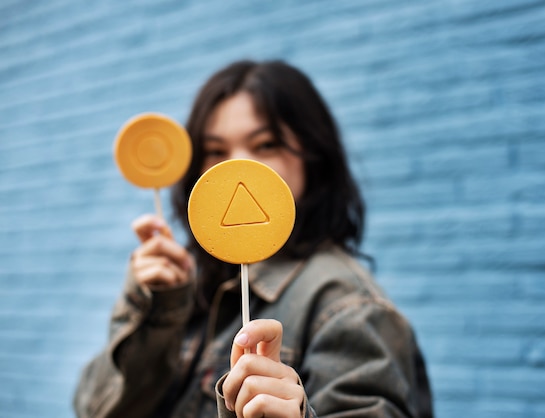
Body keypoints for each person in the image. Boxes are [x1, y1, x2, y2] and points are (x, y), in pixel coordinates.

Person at [74, 60, 433, 418]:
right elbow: (94, 409)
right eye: (216, 152)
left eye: (265, 145)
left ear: (313, 157)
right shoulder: (190, 281)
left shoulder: (347, 305)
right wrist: (155, 310)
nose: (237, 166)